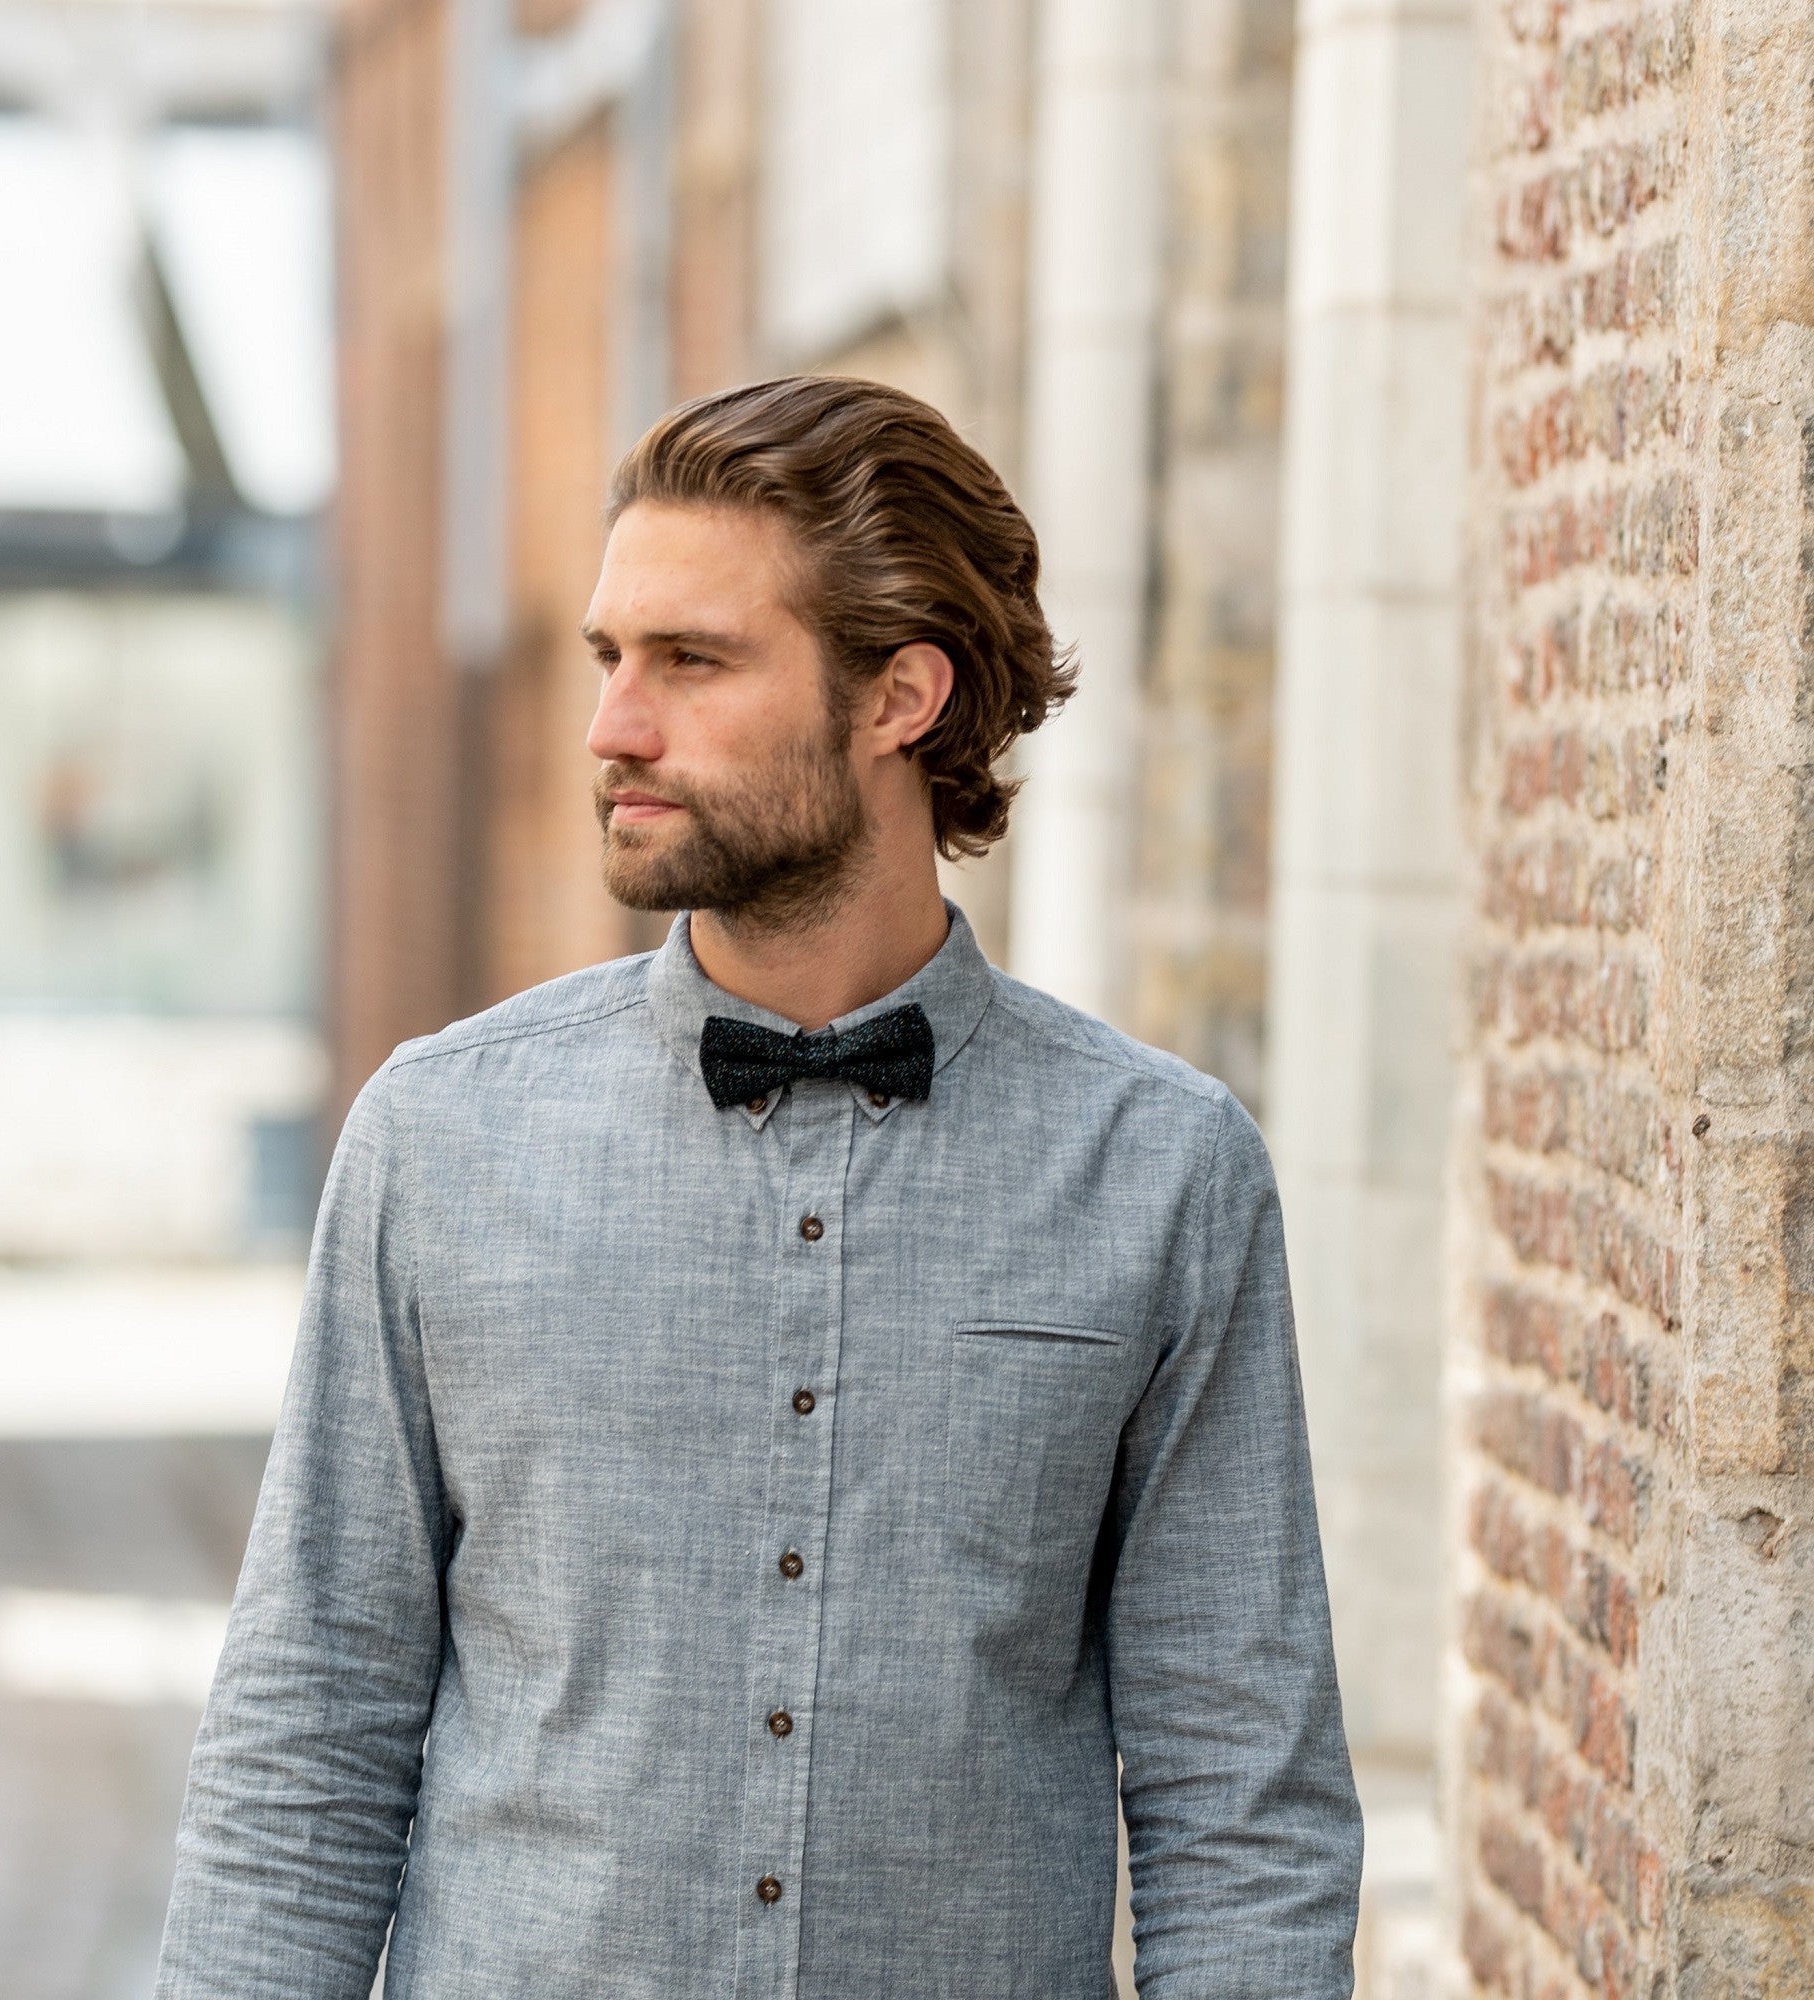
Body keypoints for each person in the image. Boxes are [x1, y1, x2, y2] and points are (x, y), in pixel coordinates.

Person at [154, 375, 1362, 2000]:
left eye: (692, 663)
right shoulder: (440, 1139)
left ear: (900, 697)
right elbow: (310, 1731)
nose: (613, 726)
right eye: (609, 659)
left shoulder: (1161, 1172)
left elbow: (1243, 1805)